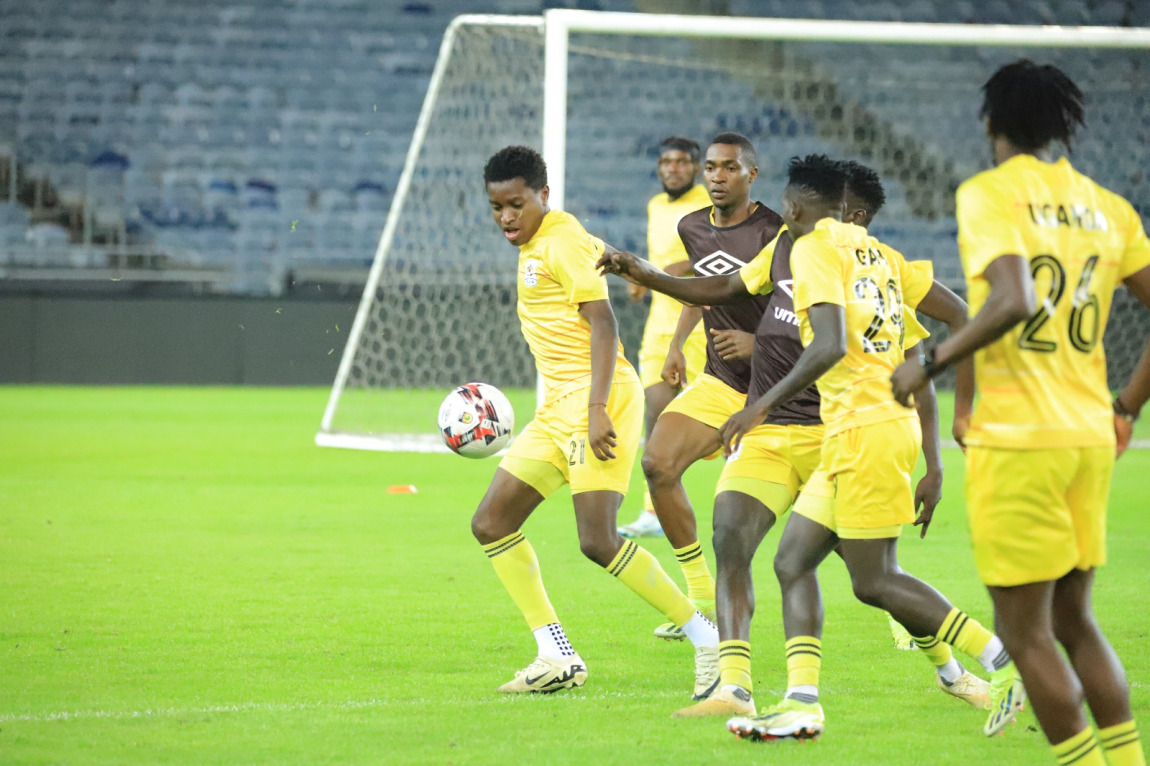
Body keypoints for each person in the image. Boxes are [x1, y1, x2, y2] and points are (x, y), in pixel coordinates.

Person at [597, 158, 989, 721]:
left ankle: (953, 670)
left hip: (836, 436)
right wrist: (644, 273)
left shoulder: (873, 271)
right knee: (732, 534)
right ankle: (735, 686)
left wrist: (934, 463)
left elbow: (912, 371)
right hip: (769, 434)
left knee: (873, 577)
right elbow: (723, 286)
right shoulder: (783, 249)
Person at [892, 60, 1150, 765]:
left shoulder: (989, 194)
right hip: (1089, 436)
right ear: (1062, 126)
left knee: (1024, 631)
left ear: (990, 123)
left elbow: (1010, 300)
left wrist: (930, 363)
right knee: (1074, 619)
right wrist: (1127, 406)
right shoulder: (1109, 207)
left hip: (1020, 440)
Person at [712, 155, 1017, 742]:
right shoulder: (882, 255)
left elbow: (827, 346)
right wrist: (957, 412)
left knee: (874, 580)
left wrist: (759, 405)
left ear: (793, 208)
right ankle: (802, 703)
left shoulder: (811, 250)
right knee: (792, 561)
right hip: (866, 429)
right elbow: (960, 315)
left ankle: (1003, 660)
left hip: (863, 429)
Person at [472, 145, 718, 698]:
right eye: (496, 207)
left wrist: (597, 410)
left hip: (598, 398)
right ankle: (555, 654)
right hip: (558, 405)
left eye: (516, 205)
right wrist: (621, 259)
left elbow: (604, 324)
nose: (506, 217)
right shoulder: (556, 236)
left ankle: (709, 640)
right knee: (491, 523)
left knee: (598, 540)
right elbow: (602, 251)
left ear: (543, 196)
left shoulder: (557, 242)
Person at [632, 132, 780, 643]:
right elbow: (701, 285)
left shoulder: (775, 233)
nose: (718, 176)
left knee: (831, 519)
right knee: (657, 463)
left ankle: (904, 617)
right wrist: (678, 342)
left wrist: (759, 342)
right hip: (721, 382)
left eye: (729, 168)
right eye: (712, 168)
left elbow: (804, 307)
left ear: (751, 175)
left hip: (780, 391)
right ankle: (698, 602)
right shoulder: (691, 225)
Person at [618, 136, 711, 540]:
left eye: (682, 162)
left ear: (696, 168)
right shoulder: (656, 205)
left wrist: (665, 271)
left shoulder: (710, 203)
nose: (673, 168)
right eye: (666, 162)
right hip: (661, 327)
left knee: (728, 422)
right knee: (655, 414)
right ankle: (654, 511)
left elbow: (716, 253)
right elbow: (659, 260)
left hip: (704, 325)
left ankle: (768, 489)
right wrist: (644, 278)